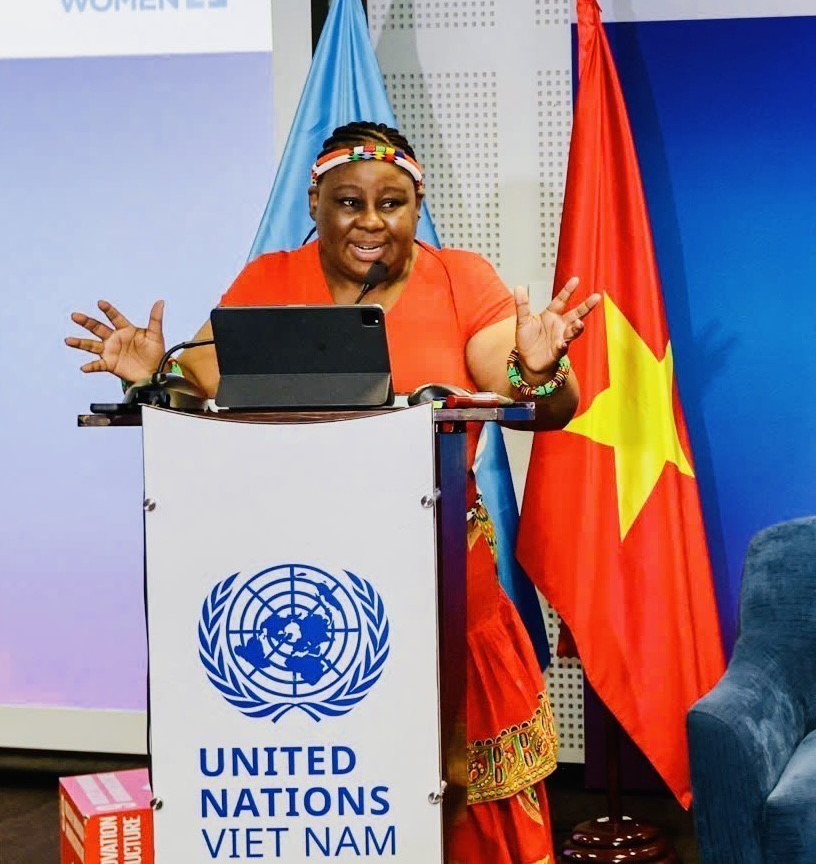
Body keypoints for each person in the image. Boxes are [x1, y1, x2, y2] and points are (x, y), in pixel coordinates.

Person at [66, 121, 600, 864]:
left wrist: (538, 369)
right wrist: (155, 375)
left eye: (392, 202)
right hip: (309, 596)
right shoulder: (269, 282)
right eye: (349, 202)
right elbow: (196, 383)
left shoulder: (461, 280)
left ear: (417, 207)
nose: (371, 221)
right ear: (314, 203)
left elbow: (530, 393)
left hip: (445, 592)